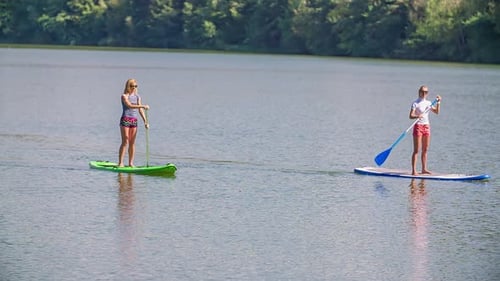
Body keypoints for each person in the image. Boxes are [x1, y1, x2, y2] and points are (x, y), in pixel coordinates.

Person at [409, 85, 441, 175]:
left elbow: (437, 112)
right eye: (422, 91)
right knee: (416, 150)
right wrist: (417, 116)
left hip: (426, 126)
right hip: (418, 126)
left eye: (426, 92)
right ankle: (414, 170)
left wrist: (438, 103)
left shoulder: (429, 103)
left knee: (425, 149)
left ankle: (424, 169)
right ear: (419, 92)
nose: (424, 93)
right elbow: (410, 116)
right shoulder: (415, 103)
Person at [118, 79, 149, 167]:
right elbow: (130, 105)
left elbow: (140, 110)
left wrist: (145, 121)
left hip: (134, 120)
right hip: (125, 120)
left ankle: (131, 163)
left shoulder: (138, 97)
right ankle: (120, 163)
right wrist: (143, 105)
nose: (134, 88)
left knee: (132, 142)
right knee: (125, 141)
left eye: (136, 86)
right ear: (128, 86)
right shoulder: (124, 96)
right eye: (132, 86)